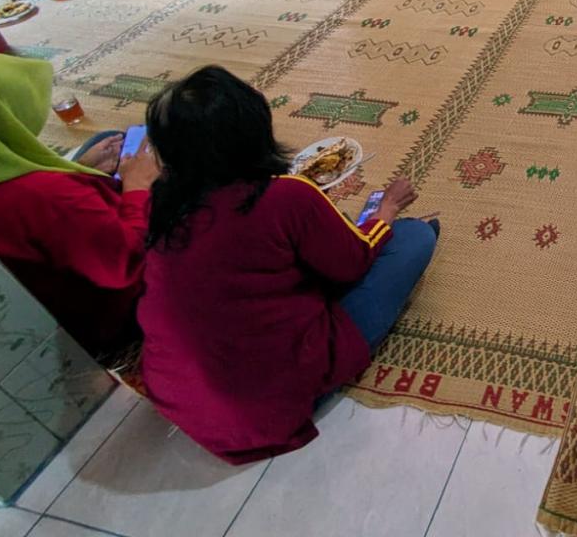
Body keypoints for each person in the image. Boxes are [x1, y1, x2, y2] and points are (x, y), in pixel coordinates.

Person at [136, 66, 440, 463]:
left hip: (182, 400)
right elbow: (353, 263)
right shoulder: (287, 195)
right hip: (265, 408)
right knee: (415, 238)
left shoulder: (161, 203)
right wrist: (387, 209)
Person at [0, 55, 157, 354]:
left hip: (53, 301)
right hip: (114, 319)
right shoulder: (43, 196)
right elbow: (127, 261)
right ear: (0, 116)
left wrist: (80, 168)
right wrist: (137, 187)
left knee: (106, 140)